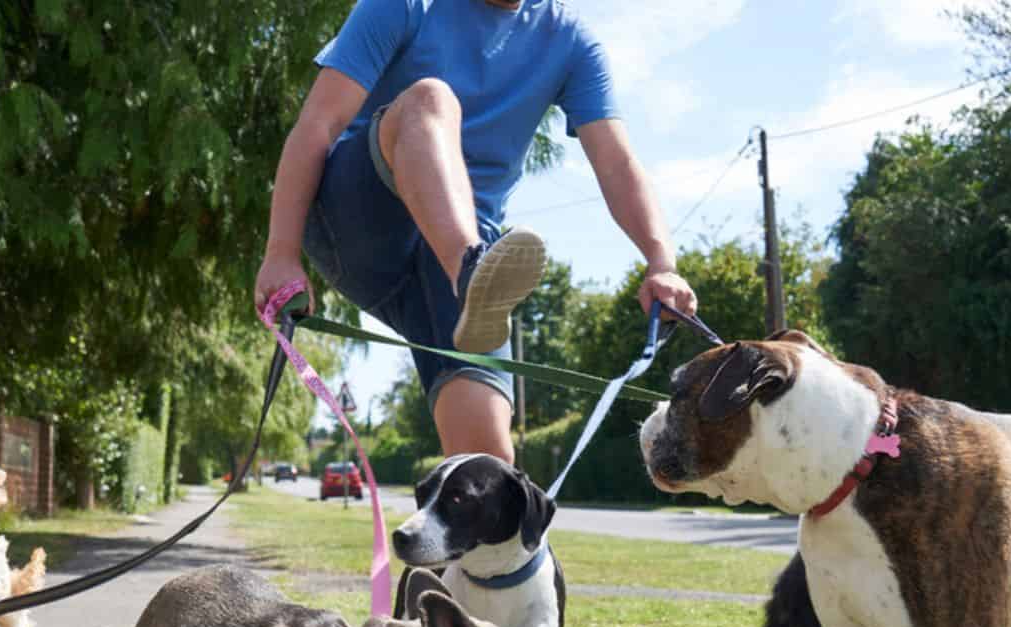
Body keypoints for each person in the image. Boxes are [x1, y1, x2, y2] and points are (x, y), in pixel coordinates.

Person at [254, 0, 698, 465]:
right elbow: (318, 124)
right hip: (362, 214)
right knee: (431, 98)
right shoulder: (405, 5)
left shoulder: (570, 42)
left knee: (488, 467)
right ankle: (469, 274)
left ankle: (469, 281)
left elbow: (618, 163)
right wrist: (281, 252)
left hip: (458, 257)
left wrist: (661, 262)